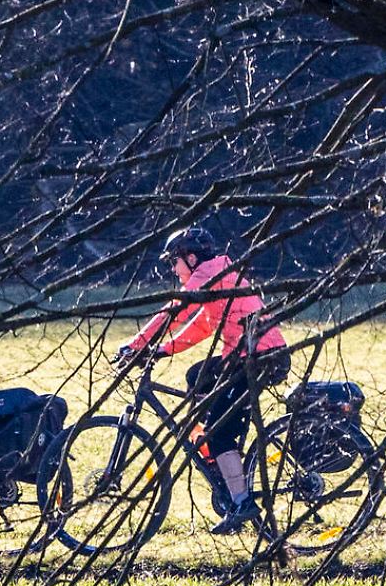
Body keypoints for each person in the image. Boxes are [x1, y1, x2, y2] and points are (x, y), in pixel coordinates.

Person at [116, 224, 290, 534]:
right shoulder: (218, 272)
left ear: (191, 258)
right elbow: (202, 327)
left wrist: (136, 344)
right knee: (197, 376)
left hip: (255, 359)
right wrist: (163, 350)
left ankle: (240, 500)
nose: (172, 267)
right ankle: (216, 456)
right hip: (248, 355)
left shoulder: (207, 274)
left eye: (174, 261)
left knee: (220, 432)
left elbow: (175, 312)